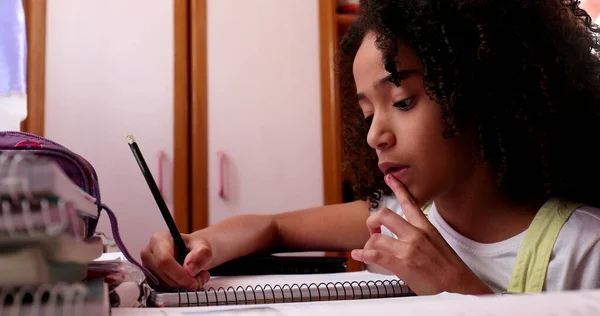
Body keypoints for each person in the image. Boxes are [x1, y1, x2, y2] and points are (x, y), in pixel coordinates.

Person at [141, 0, 600, 295]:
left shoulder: (582, 249)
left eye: (402, 101)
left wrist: (456, 289)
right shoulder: (397, 218)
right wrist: (196, 244)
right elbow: (272, 227)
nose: (374, 135)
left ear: (481, 93)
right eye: (366, 113)